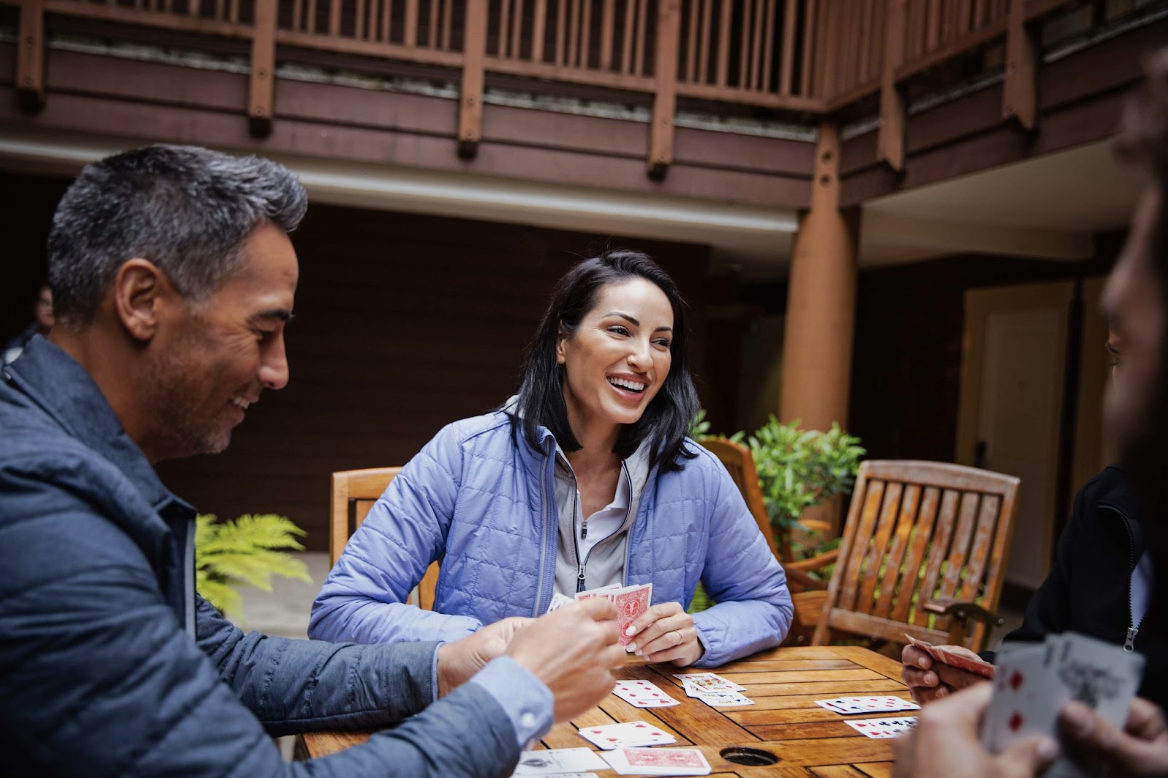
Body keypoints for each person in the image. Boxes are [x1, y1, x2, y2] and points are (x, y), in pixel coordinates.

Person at [0, 144, 628, 778]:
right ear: (140, 299)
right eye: (262, 330)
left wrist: (445, 665)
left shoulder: (66, 456)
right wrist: (517, 695)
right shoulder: (40, 513)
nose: (279, 371)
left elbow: (224, 663)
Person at [309, 249, 793, 668]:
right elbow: (342, 610)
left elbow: (768, 602)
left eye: (661, 342)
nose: (644, 359)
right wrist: (480, 644)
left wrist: (701, 636)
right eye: (620, 330)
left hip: (635, 728)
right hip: (489, 717)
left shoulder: (695, 474)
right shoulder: (462, 454)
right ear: (563, 342)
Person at [894, 47, 1168, 778]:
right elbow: (1045, 658)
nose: (1121, 286)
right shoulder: (1108, 504)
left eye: (1131, 350)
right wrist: (990, 683)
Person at [3, 283, 53, 364]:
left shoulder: (76, 343)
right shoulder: (18, 343)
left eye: (56, 304)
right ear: (36, 306)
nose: (50, 309)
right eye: (45, 303)